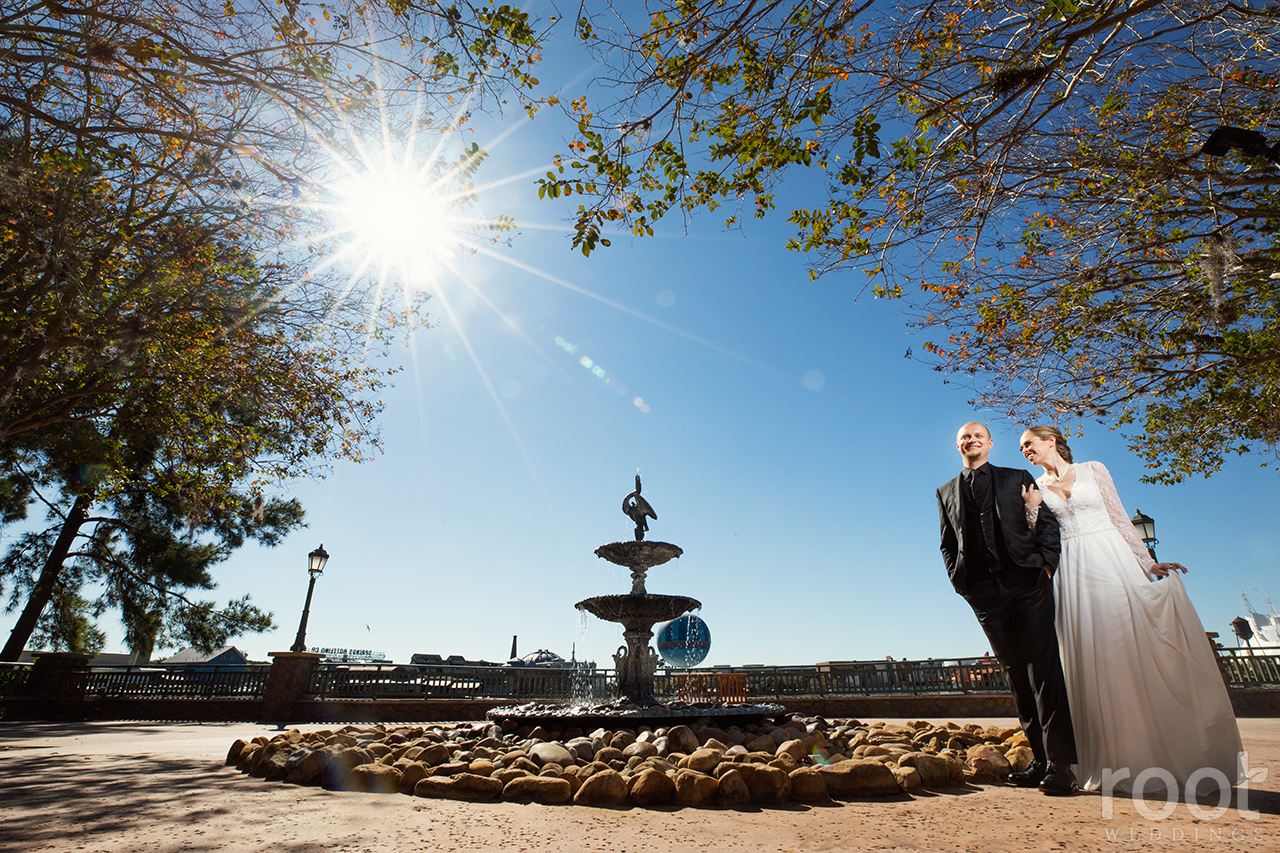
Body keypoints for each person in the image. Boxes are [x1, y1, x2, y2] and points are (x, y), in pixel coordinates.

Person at [1019, 425, 1243, 795]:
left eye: (1030, 443)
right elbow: (1037, 535)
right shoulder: (1036, 490)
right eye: (1022, 447)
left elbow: (1121, 518)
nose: (1026, 450)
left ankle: (1155, 752)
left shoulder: (1094, 469)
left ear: (1051, 441)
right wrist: (1030, 512)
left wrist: (1147, 563)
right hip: (1071, 571)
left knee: (1130, 646)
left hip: (1112, 558)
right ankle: (1109, 759)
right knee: (1091, 656)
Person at [938, 421, 1079, 795]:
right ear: (958, 445)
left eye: (977, 436)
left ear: (989, 443)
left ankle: (1062, 766)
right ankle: (1039, 761)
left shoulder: (1016, 476)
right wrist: (961, 584)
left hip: (1027, 581)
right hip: (984, 593)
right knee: (1016, 674)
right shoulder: (945, 492)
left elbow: (1047, 523)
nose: (971, 440)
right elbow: (947, 543)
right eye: (964, 437)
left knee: (1045, 669)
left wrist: (1046, 566)